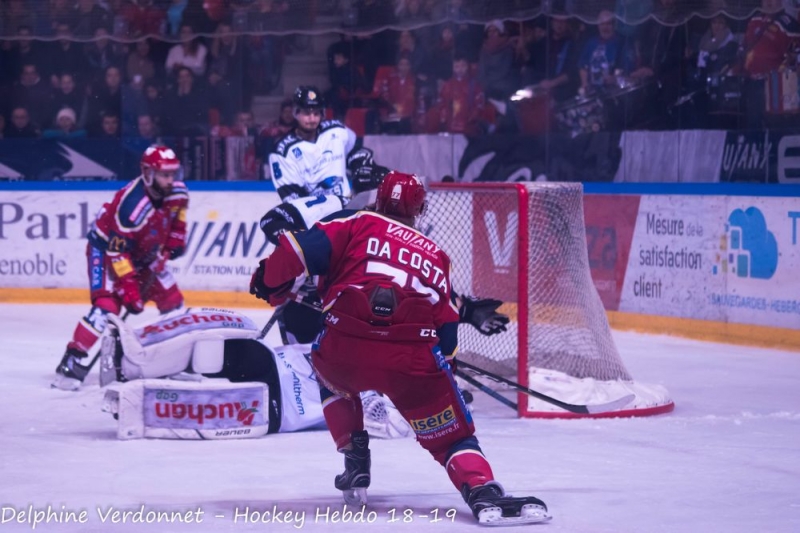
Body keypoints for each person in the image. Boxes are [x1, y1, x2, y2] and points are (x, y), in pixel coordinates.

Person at [249, 171, 549, 525]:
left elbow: (293, 249)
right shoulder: (436, 254)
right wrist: (443, 375)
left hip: (344, 353)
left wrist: (269, 281)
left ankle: (354, 458)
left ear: (377, 200)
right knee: (452, 438)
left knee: (328, 375)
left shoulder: (355, 223)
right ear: (419, 210)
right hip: (413, 363)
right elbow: (447, 331)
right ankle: (482, 489)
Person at [99, 307, 412, 440]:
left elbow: (386, 424)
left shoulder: (376, 389)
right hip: (272, 374)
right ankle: (130, 357)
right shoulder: (356, 345)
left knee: (204, 392)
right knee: (216, 334)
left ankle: (133, 389)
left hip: (275, 403)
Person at [52, 145, 189, 391]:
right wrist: (130, 291)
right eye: (164, 175)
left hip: (143, 251)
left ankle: (176, 358)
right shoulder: (132, 207)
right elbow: (117, 251)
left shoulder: (178, 193)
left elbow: (177, 218)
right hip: (106, 251)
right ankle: (71, 360)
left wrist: (173, 244)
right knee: (107, 306)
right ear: (148, 173)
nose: (171, 180)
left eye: (173, 174)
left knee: (172, 299)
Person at [268, 85, 361, 201]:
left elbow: (357, 153)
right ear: (296, 113)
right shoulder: (283, 151)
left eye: (316, 114)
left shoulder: (337, 131)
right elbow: (292, 198)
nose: (312, 119)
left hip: (345, 211)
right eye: (307, 113)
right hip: (313, 216)